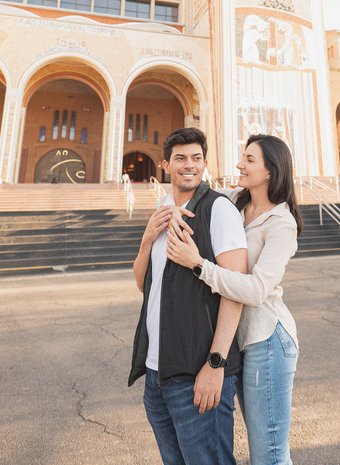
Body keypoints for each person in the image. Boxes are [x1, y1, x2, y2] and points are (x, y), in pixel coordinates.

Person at [166, 134, 303, 465]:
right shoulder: (235, 203)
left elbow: (256, 291)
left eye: (250, 160)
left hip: (267, 341)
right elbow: (195, 198)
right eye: (242, 157)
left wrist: (199, 265)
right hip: (239, 344)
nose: (240, 164)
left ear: (271, 171)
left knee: (269, 452)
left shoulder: (282, 224)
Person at [130, 128, 248, 465]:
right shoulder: (162, 209)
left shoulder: (218, 209)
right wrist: (146, 239)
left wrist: (216, 364)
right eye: (180, 158)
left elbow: (235, 289)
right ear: (165, 164)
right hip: (157, 376)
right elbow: (143, 285)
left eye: (196, 158)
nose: (189, 165)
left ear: (205, 163)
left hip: (199, 375)